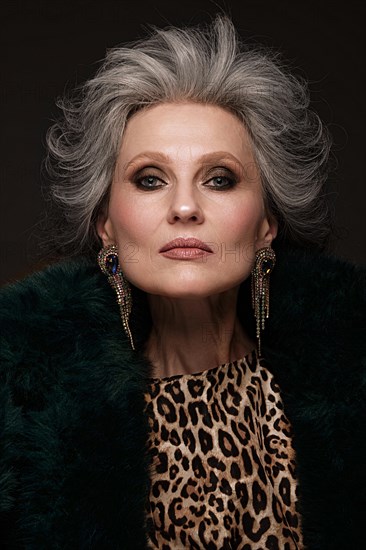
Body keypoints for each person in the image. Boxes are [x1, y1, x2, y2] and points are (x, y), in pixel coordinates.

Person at [0, 15, 365, 550]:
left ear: (267, 225)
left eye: (220, 179)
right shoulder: (27, 421)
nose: (186, 207)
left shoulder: (351, 389)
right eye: (150, 179)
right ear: (106, 226)